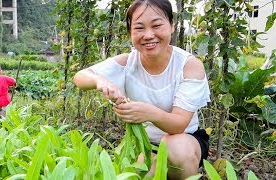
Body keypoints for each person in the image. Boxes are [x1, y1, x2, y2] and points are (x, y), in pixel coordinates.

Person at [73, 0, 210, 179]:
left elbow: (179, 124)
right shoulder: (127, 63)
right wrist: (100, 81)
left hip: (186, 141)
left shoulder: (188, 65)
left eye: (157, 25)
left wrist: (149, 113)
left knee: (175, 148)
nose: (148, 35)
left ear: (171, 26)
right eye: (139, 28)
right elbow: (80, 77)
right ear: (130, 32)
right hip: (144, 145)